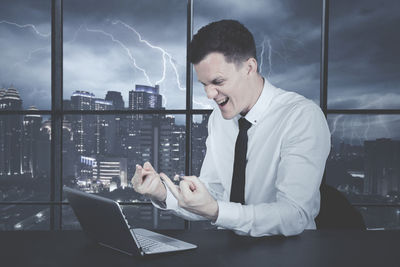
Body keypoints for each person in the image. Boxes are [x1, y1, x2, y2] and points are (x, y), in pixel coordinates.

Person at [131, 19, 331, 237]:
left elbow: (294, 216)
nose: (209, 95)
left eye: (218, 81)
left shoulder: (301, 117)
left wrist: (216, 211)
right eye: (205, 85)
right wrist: (160, 193)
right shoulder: (219, 118)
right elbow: (212, 194)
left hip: (290, 252)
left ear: (249, 68)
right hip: (232, 249)